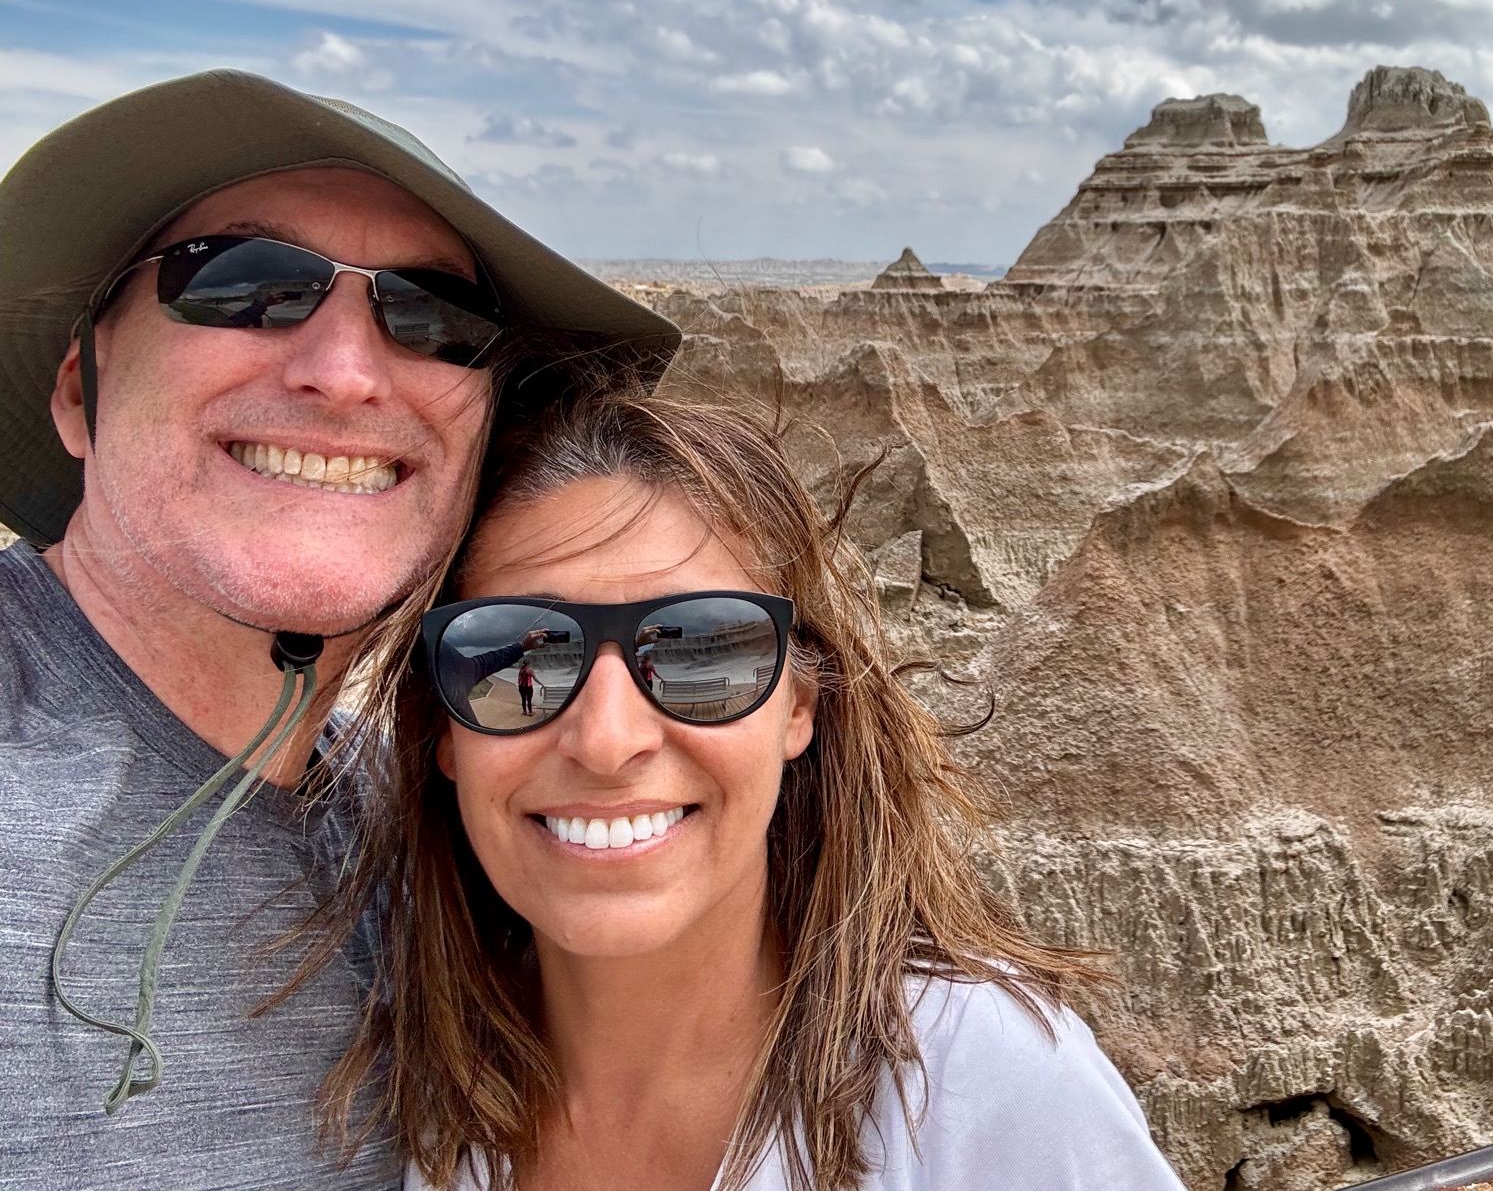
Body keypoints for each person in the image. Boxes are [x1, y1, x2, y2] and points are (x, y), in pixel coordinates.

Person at [0, 70, 678, 1189]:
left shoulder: (456, 836)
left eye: (434, 317)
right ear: (80, 393)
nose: (345, 373)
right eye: (245, 284)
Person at [324, 389, 1187, 1191]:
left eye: (702, 653)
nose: (609, 741)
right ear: (443, 729)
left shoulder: (983, 1089)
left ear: (798, 706)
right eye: (519, 655)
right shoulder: (392, 1086)